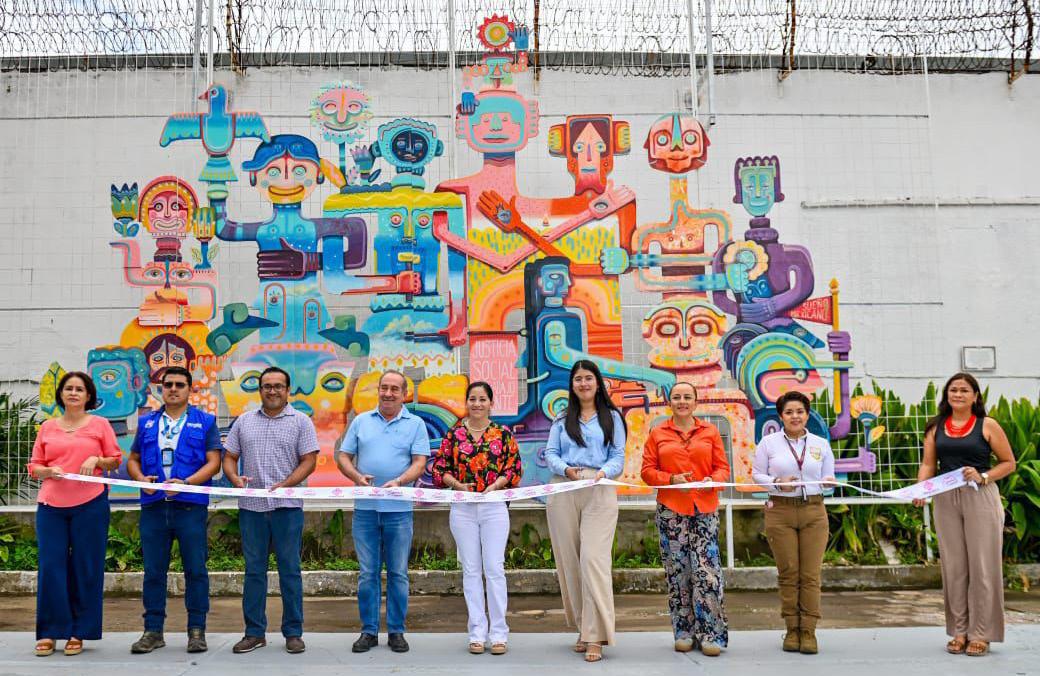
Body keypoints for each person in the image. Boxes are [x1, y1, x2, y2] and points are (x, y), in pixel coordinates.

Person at [913, 373, 1015, 657]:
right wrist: (921, 488)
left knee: (982, 566)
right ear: (947, 395)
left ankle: (981, 633)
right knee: (954, 567)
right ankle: (959, 631)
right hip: (946, 497)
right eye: (953, 390)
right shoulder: (935, 427)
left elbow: (1009, 463)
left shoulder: (987, 425)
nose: (957, 394)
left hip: (980, 496)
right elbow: (928, 464)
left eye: (964, 390)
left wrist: (983, 476)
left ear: (975, 396)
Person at [222, 366, 319, 655]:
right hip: (251, 509)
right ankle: (254, 633)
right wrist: (235, 478)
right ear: (260, 390)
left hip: (287, 508)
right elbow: (229, 457)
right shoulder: (244, 421)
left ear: (287, 390)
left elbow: (309, 460)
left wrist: (286, 484)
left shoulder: (301, 421)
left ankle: (293, 633)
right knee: (254, 572)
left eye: (278, 386)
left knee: (290, 571)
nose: (272, 391)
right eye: (267, 386)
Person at [126, 366, 223, 654]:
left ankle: (197, 630)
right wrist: (141, 479)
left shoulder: (205, 421)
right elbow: (133, 459)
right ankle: (153, 631)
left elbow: (214, 462)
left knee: (196, 570)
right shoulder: (146, 422)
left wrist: (187, 483)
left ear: (190, 389)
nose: (173, 389)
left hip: (190, 507)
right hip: (154, 507)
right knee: (153, 572)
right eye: (168, 384)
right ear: (161, 389)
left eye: (180, 384)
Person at [28, 371, 123, 657]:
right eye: (68, 388)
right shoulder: (47, 427)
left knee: (86, 566)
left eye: (79, 389)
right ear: (61, 394)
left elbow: (115, 460)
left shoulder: (100, 424)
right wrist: (48, 471)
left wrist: (96, 459)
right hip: (51, 507)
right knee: (51, 567)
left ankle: (78, 631)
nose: (73, 393)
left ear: (88, 395)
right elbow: (34, 467)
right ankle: (49, 631)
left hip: (90, 504)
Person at [336, 370, 431, 654]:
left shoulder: (416, 424)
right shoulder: (361, 421)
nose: (388, 393)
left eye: (394, 389)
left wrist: (400, 481)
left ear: (404, 394)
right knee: (368, 574)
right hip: (365, 510)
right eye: (384, 388)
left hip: (399, 511)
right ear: (378, 390)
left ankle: (396, 631)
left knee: (398, 573)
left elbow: (420, 462)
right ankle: (368, 631)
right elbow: (343, 456)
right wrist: (356, 476)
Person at [431, 381, 523, 655]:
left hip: (494, 506)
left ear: (491, 403)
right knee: (471, 570)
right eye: (472, 398)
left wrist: (497, 485)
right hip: (463, 508)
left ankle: (499, 634)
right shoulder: (454, 434)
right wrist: (457, 485)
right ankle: (476, 633)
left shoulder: (502, 434)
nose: (477, 404)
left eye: (483, 399)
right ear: (466, 402)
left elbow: (514, 468)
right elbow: (440, 469)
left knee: (494, 568)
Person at [544, 360, 627, 663]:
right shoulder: (561, 418)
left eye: (588, 378)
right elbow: (551, 453)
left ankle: (597, 635)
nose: (583, 384)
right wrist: (565, 470)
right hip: (564, 487)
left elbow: (618, 456)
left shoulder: (612, 418)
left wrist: (603, 472)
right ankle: (584, 628)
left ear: (597, 382)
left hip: (599, 488)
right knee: (570, 562)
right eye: (578, 379)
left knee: (593, 560)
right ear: (572, 384)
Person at [640, 382, 730, 657]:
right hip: (671, 511)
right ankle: (684, 632)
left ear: (695, 402)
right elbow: (647, 471)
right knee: (678, 572)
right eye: (677, 397)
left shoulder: (710, 432)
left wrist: (712, 481)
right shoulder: (658, 433)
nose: (682, 401)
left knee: (707, 572)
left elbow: (723, 469)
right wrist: (670, 479)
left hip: (704, 510)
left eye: (687, 397)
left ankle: (711, 634)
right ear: (669, 402)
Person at [751, 390, 835, 655]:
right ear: (781, 416)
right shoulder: (768, 443)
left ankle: (808, 631)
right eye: (789, 412)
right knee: (789, 572)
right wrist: (777, 482)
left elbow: (828, 475)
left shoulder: (821, 444)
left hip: (814, 511)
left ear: (807, 415)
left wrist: (828, 481)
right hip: (780, 512)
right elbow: (757, 475)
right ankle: (791, 629)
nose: (795, 416)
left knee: (810, 574)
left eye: (800, 411)